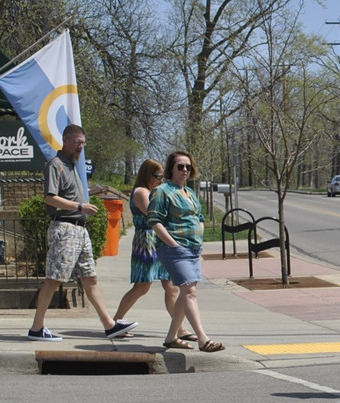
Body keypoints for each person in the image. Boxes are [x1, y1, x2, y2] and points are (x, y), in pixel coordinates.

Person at [27, 123, 138, 342]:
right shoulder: (55, 164)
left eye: (83, 143)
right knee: (54, 278)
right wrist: (80, 206)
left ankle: (109, 325)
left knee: (90, 278)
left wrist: (90, 193)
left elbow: (69, 193)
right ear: (65, 140)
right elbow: (50, 198)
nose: (81, 147)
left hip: (80, 230)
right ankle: (37, 328)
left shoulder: (73, 167)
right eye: (77, 142)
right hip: (65, 228)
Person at [147, 150, 224, 353]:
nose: (185, 170)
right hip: (175, 250)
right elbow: (154, 221)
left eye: (188, 167)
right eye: (180, 166)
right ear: (171, 168)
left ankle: (172, 336)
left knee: (185, 291)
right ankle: (203, 339)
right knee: (190, 291)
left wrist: (200, 234)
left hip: (192, 249)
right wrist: (173, 243)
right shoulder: (162, 191)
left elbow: (200, 217)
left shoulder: (189, 193)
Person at [112, 159, 194, 347]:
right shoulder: (141, 192)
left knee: (171, 285)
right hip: (147, 241)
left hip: (159, 240)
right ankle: (115, 322)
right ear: (147, 175)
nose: (160, 180)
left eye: (162, 177)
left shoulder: (155, 192)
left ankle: (180, 329)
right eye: (157, 177)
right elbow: (155, 215)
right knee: (142, 286)